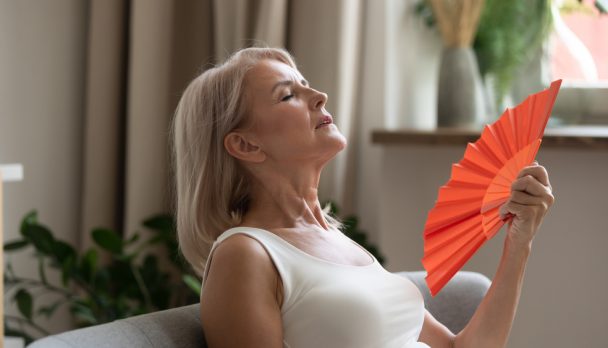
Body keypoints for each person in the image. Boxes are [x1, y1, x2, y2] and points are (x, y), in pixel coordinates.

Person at [172, 47, 555, 348]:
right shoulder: (247, 254)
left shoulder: (340, 245)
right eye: (288, 95)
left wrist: (519, 243)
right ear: (245, 144)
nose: (320, 96)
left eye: (307, 85)